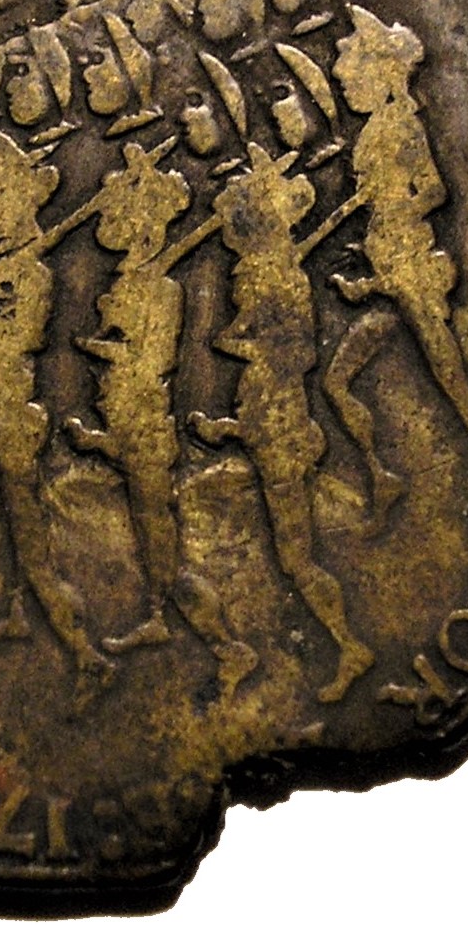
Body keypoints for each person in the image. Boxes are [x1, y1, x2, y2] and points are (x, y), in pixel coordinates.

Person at [324, 6, 468, 530]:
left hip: (411, 275)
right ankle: (384, 478)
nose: (345, 85)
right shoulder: (375, 130)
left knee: (452, 380)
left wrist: (394, 212)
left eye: (350, 75)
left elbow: (435, 191)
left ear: (379, 73)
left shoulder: (401, 127)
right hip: (390, 277)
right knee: (339, 383)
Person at [68, 140, 257, 697]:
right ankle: (156, 615)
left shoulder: (162, 289)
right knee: (151, 535)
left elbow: (154, 361)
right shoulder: (131, 281)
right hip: (126, 416)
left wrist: (97, 347)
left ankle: (228, 646)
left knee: (163, 542)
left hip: (145, 417)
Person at [191, 143, 374, 704]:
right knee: (287, 553)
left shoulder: (278, 279)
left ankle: (349, 646)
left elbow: (295, 356)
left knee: (296, 559)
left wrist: (240, 347)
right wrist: (230, 426)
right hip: (267, 423)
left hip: (283, 430)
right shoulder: (264, 275)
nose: (228, 232)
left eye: (235, 221)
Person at [0, 130, 114, 709]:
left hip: (9, 402)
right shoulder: (9, 263)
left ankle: (84, 652)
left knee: (28, 537)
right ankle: (20, 613)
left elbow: (26, 336)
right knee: (8, 522)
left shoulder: (33, 272)